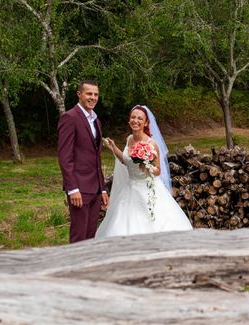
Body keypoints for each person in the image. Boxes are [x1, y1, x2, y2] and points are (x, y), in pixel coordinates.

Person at [95, 105, 192, 237]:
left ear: (146, 122)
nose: (136, 120)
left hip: (148, 187)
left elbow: (158, 171)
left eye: (140, 118)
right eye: (133, 117)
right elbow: (125, 160)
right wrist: (114, 147)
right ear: (129, 121)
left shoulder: (151, 144)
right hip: (131, 187)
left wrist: (148, 167)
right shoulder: (129, 139)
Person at [57, 80, 109, 243]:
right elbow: (65, 157)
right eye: (89, 93)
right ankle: (73, 267)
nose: (93, 97)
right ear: (79, 94)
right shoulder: (70, 118)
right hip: (79, 187)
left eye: (95, 94)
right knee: (79, 235)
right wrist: (72, 189)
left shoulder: (96, 121)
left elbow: (96, 158)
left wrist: (102, 189)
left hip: (95, 188)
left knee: (91, 234)